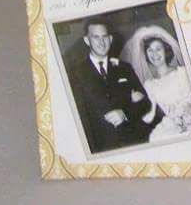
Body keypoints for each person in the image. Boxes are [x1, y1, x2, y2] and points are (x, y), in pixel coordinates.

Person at [66, 14, 161, 154]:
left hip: (133, 142)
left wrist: (124, 113)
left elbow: (145, 104)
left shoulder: (125, 68)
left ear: (110, 39)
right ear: (87, 40)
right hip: (100, 147)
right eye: (95, 37)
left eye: (104, 37)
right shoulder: (74, 74)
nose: (101, 42)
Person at [121, 26, 191, 143]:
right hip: (169, 126)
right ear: (146, 54)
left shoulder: (182, 72)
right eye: (150, 50)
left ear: (166, 51)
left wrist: (189, 118)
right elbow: (150, 115)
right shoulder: (149, 84)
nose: (154, 54)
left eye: (158, 49)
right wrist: (130, 110)